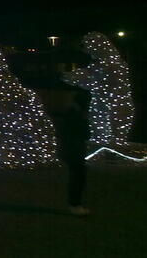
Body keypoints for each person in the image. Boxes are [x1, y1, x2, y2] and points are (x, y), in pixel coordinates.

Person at [52, 88, 91, 216]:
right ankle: (75, 204)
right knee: (78, 175)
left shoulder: (69, 111)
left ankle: (75, 203)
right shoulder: (76, 114)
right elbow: (85, 133)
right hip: (73, 147)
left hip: (70, 147)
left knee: (77, 175)